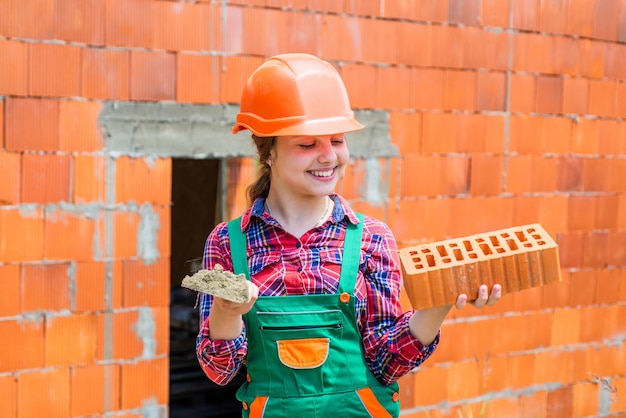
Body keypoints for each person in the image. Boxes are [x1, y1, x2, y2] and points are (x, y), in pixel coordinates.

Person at [196, 53, 502, 418]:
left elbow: (388, 361)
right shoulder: (228, 243)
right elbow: (220, 371)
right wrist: (227, 313)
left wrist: (441, 300)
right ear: (269, 153)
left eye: (338, 140)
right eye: (307, 144)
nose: (329, 156)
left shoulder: (371, 238)